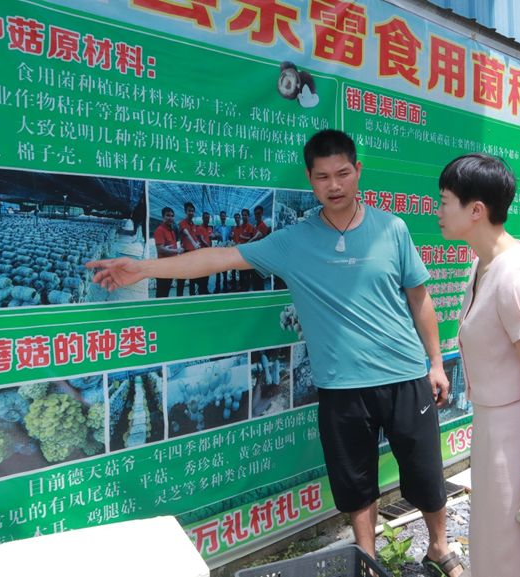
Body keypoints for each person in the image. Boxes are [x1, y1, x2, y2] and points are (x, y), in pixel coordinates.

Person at [87, 129, 464, 576]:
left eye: (343, 173)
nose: (335, 185)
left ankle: (439, 547)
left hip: (404, 376)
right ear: (310, 179)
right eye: (323, 176)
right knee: (354, 481)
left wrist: (435, 363)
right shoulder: (292, 241)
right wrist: (143, 268)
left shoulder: (391, 228)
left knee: (424, 471)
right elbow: (218, 258)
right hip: (341, 386)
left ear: (358, 171)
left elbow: (420, 298)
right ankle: (366, 559)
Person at [436, 153, 520, 577]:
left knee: (513, 553)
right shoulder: (481, 264)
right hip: (494, 424)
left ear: (476, 210)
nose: (438, 210)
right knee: (492, 544)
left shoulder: (517, 276)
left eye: (445, 201)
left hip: (518, 430)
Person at [152, 206, 180, 298]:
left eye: (172, 216)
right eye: (168, 215)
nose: (170, 218)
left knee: (166, 292)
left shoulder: (171, 230)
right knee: (161, 294)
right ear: (162, 217)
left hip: (170, 267)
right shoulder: (160, 230)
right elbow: (160, 249)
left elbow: (170, 247)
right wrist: (177, 250)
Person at [177, 201, 201, 296]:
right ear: (185, 211)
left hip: (193, 255)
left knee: (192, 278)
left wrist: (197, 243)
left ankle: (192, 296)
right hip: (185, 254)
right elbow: (186, 234)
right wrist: (194, 243)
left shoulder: (193, 225)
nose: (191, 213)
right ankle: (179, 298)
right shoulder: (182, 223)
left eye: (192, 211)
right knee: (182, 278)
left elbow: (194, 237)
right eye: (189, 211)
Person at [213, 210, 233, 293]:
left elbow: (230, 238)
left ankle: (225, 287)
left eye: (224, 216)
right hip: (219, 250)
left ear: (226, 217)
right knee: (217, 270)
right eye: (221, 216)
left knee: (225, 269)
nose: (223, 217)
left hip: (226, 250)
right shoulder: (216, 227)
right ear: (220, 217)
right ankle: (217, 287)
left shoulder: (229, 227)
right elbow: (214, 235)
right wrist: (216, 234)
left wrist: (231, 238)